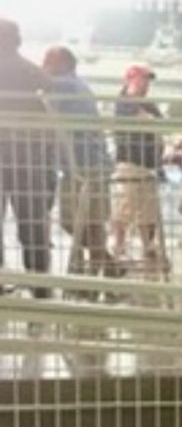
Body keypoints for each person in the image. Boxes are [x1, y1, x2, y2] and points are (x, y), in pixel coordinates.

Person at [41, 45, 122, 279]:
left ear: (63, 64)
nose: (43, 65)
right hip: (85, 163)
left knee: (75, 220)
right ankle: (106, 265)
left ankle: (103, 266)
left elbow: (39, 90)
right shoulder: (77, 85)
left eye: (48, 60)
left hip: (85, 164)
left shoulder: (65, 85)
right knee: (88, 221)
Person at [0, 17, 56, 296]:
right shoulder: (24, 68)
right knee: (31, 219)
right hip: (25, 155)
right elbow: (48, 83)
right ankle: (39, 279)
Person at [110, 62, 164, 263]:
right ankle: (119, 245)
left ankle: (147, 245)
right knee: (124, 206)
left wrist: (150, 121)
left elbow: (157, 121)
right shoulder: (124, 100)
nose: (146, 84)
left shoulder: (147, 102)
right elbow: (146, 121)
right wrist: (150, 120)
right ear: (131, 79)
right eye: (142, 79)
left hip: (148, 163)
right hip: (129, 161)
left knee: (148, 210)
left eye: (147, 80)